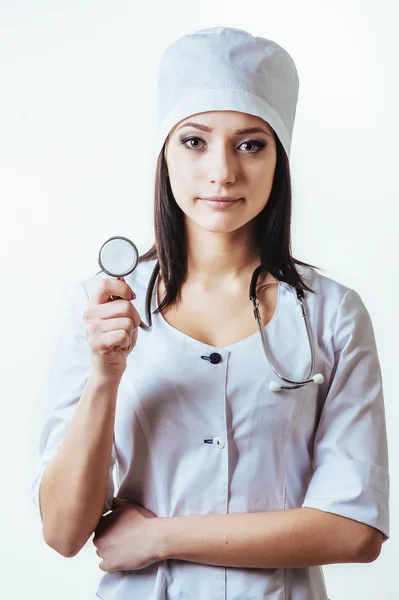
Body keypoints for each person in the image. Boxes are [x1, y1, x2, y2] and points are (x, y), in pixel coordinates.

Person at [30, 26, 390, 600]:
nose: (222, 171)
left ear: (280, 158)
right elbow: (64, 530)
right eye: (194, 141)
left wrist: (161, 538)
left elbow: (354, 529)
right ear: (164, 153)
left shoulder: (332, 315)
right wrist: (105, 375)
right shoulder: (103, 308)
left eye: (250, 144)